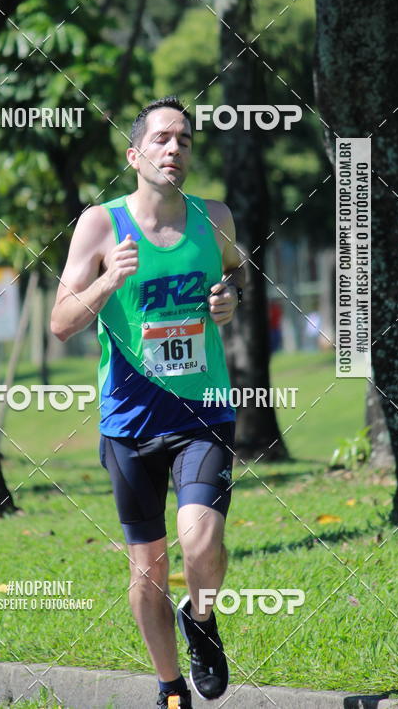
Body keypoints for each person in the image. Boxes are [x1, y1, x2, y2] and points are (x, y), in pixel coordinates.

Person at [51, 96, 247, 708]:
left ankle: (204, 622)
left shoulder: (214, 217)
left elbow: (238, 271)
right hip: (130, 421)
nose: (175, 149)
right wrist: (108, 280)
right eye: (162, 139)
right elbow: (60, 323)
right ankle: (170, 689)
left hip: (202, 412)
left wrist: (231, 298)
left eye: (185, 140)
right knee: (149, 570)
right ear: (135, 154)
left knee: (201, 542)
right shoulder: (101, 225)